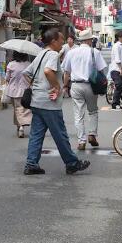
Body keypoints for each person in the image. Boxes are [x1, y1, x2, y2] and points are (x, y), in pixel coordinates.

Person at [22, 27, 91, 176]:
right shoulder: (53, 54)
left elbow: (26, 73)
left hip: (37, 101)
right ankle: (72, 163)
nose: (63, 43)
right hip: (49, 103)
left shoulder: (40, 54)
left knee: (36, 134)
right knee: (60, 134)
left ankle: (31, 163)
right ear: (53, 41)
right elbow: (48, 71)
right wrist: (56, 86)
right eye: (60, 40)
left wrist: (36, 86)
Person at [61, 29, 107, 151]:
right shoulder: (95, 52)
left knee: (78, 114)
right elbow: (101, 70)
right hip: (91, 86)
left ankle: (81, 141)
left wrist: (65, 86)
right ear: (89, 40)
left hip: (76, 85)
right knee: (93, 111)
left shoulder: (71, 52)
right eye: (91, 39)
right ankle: (92, 134)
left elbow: (66, 72)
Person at [5, 51, 33, 138]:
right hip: (26, 90)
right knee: (23, 109)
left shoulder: (11, 64)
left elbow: (7, 78)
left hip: (14, 91)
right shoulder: (29, 64)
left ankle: (20, 127)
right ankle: (20, 126)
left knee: (17, 109)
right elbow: (32, 77)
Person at [110, 30, 122, 109]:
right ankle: (114, 104)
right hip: (116, 69)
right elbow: (117, 59)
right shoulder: (116, 46)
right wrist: (121, 69)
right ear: (119, 38)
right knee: (119, 85)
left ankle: (117, 103)